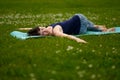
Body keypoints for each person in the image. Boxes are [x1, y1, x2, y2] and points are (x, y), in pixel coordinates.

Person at [19, 14, 115, 43]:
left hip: (79, 22)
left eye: (42, 28)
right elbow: (64, 35)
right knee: (90, 27)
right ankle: (99, 27)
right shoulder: (52, 30)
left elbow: (65, 35)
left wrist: (78, 39)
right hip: (78, 18)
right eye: (43, 32)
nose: (45, 29)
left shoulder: (55, 30)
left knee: (85, 28)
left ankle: (98, 28)